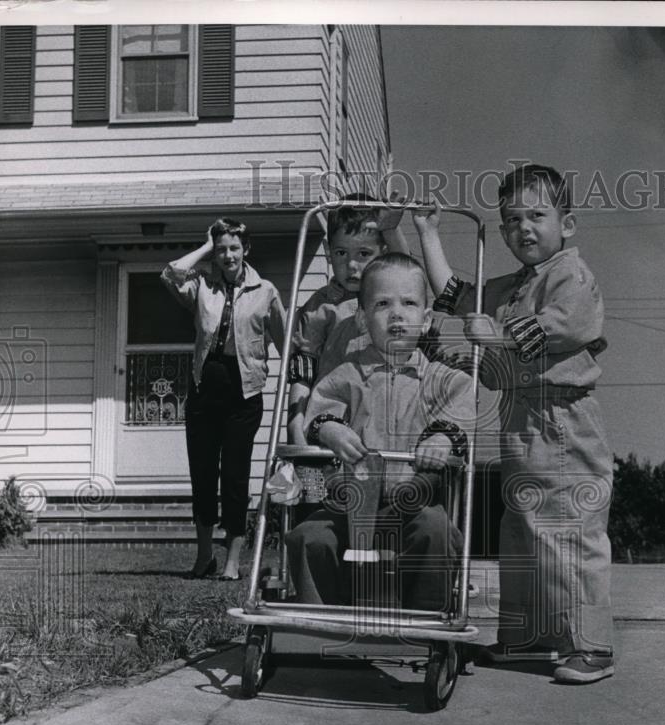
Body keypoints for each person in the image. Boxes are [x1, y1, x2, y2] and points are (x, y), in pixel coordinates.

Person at [413, 164, 615, 684]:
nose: (524, 227)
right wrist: (427, 232)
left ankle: (591, 645)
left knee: (568, 527)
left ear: (566, 223)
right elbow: (457, 297)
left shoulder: (571, 273)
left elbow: (565, 326)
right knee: (522, 530)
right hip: (520, 416)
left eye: (537, 215)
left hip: (562, 416)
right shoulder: (515, 284)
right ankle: (530, 638)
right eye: (511, 219)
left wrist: (496, 335)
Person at [286, 253, 474, 611]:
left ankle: (427, 613)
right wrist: (329, 431)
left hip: (414, 501)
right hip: (350, 502)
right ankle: (320, 612)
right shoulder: (346, 375)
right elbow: (320, 410)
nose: (397, 314)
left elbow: (460, 411)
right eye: (382, 304)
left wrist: (442, 437)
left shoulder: (443, 379)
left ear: (426, 318)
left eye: (409, 303)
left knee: (439, 532)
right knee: (308, 537)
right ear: (362, 318)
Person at [161, 218, 285, 580]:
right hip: (204, 390)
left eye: (234, 247)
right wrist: (205, 246)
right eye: (221, 249)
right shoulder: (201, 284)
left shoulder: (266, 291)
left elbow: (286, 342)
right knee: (203, 476)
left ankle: (232, 562)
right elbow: (170, 274)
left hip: (243, 393)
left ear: (246, 249)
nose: (227, 255)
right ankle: (204, 557)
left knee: (234, 477)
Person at [287, 197, 407, 444]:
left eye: (364, 253)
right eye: (341, 252)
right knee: (319, 481)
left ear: (383, 253)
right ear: (328, 252)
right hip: (330, 423)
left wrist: (391, 230)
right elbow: (303, 374)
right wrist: (295, 427)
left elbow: (405, 269)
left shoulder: (390, 299)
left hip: (382, 421)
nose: (351, 265)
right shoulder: (320, 306)